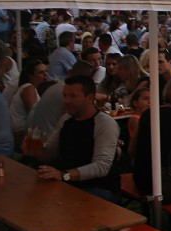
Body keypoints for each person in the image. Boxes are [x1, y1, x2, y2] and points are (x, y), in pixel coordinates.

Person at [36, 74, 120, 202]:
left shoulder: (105, 124)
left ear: (90, 97)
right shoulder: (66, 119)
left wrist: (64, 175)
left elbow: (101, 167)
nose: (66, 101)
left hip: (98, 189)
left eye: (73, 96)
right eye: (65, 95)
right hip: (69, 184)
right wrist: (37, 151)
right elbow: (51, 154)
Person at [9, 59, 48, 145]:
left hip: (23, 132)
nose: (46, 76)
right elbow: (33, 117)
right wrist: (41, 143)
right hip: (20, 135)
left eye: (46, 71)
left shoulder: (29, 88)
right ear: (31, 75)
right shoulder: (28, 88)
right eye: (41, 73)